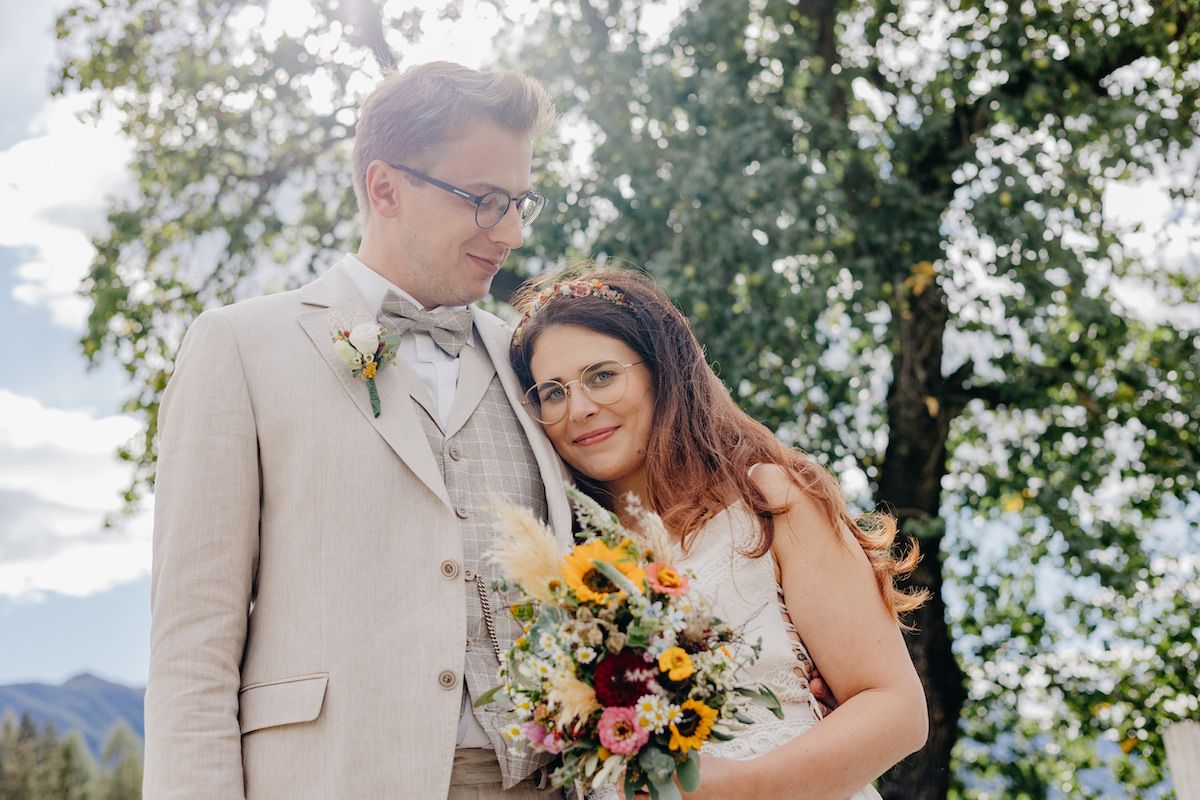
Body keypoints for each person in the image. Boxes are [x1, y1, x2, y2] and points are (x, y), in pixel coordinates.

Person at [144, 61, 574, 799]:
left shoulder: (531, 355)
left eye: (519, 202)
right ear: (385, 188)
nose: (509, 232)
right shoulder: (243, 345)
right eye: (484, 200)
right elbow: (193, 644)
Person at [509, 267, 930, 799]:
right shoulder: (567, 564)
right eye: (552, 392)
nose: (579, 409)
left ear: (662, 371)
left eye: (601, 375)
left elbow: (897, 710)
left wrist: (743, 787)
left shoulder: (768, 500)